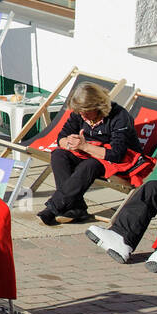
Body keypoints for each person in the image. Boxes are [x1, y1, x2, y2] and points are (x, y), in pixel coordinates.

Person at [36, 83, 136, 227]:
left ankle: (53, 207)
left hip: (116, 161)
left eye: (86, 112)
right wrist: (71, 144)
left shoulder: (119, 116)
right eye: (80, 113)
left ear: (98, 106)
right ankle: (77, 208)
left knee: (89, 165)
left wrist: (84, 146)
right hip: (89, 153)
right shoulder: (80, 113)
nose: (83, 116)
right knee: (59, 155)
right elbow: (61, 138)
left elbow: (116, 154)